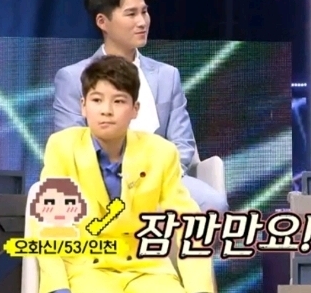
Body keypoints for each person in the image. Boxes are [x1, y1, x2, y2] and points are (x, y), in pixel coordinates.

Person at [36, 55, 214, 293]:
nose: (106, 111)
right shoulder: (62, 147)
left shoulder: (161, 153)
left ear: (135, 109)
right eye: (97, 100)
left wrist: (200, 290)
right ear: (83, 106)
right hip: (88, 270)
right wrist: (58, 287)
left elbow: (188, 225)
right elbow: (48, 224)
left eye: (119, 101)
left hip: (147, 271)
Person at [53, 0, 228, 213]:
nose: (142, 22)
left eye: (144, 12)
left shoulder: (167, 76)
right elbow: (71, 144)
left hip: (162, 178)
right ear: (102, 21)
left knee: (214, 204)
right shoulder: (74, 77)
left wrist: (158, 178)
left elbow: (183, 142)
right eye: (131, 14)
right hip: (100, 181)